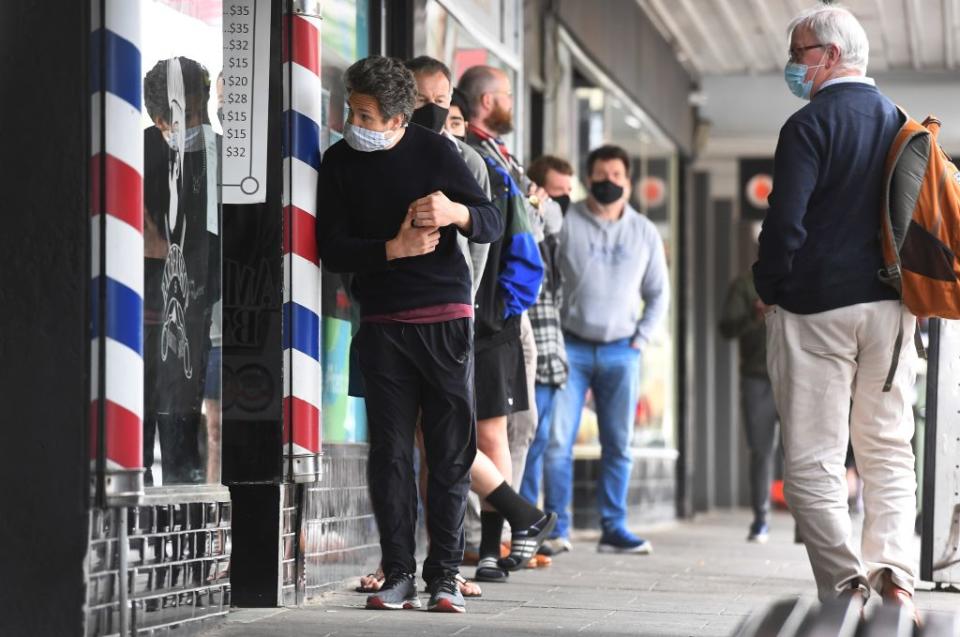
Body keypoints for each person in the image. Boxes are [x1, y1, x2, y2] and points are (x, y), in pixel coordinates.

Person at [316, 55, 503, 614]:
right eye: (352, 111)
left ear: (399, 118)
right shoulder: (338, 163)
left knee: (449, 454)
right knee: (391, 455)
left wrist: (455, 212)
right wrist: (390, 250)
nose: (356, 124)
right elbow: (330, 248)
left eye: (368, 115)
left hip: (445, 321)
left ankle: (444, 576)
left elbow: (492, 219)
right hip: (382, 327)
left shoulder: (435, 150)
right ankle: (397, 573)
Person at [754, 6, 919, 617]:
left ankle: (846, 589)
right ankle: (897, 579)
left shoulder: (807, 125)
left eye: (799, 53)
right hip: (891, 310)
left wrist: (768, 284)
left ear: (828, 54)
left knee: (812, 457)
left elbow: (784, 222)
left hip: (813, 310)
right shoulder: (902, 124)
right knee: (886, 446)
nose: (793, 64)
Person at [542, 144, 668, 554]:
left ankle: (613, 528)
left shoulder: (644, 232)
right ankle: (557, 528)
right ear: (588, 177)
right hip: (571, 348)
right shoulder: (565, 221)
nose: (608, 181)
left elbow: (658, 294)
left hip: (621, 352)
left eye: (617, 175)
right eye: (601, 174)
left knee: (619, 443)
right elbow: (546, 277)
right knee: (558, 441)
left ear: (628, 183)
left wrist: (640, 341)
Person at [458, 64, 553, 581]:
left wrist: (501, 311)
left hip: (490, 322)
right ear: (488, 101)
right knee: (458, 435)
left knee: (496, 434)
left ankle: (499, 543)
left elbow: (526, 243)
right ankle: (515, 525)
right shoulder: (482, 158)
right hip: (478, 318)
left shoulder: (496, 163)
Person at [142, 57, 220, 486]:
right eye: (187, 116)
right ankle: (138, 540)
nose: (200, 124)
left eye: (202, 111)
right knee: (133, 446)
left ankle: (183, 539)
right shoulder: (135, 155)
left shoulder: (221, 158)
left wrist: (161, 248)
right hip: (138, 324)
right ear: (160, 121)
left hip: (194, 327)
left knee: (182, 446)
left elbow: (220, 250)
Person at [518, 156, 574, 544]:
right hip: (529, 355)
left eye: (568, 194)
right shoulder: (531, 232)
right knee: (526, 442)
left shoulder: (555, 240)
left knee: (543, 444)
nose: (563, 203)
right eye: (556, 194)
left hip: (553, 359)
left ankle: (534, 527)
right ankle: (522, 526)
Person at [718, 258, 778, 544]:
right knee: (761, 450)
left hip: (798, 375)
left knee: (805, 451)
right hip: (757, 376)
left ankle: (809, 526)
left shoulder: (807, 274)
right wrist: (754, 316)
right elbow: (726, 328)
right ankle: (761, 519)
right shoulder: (745, 285)